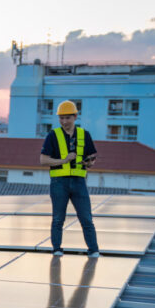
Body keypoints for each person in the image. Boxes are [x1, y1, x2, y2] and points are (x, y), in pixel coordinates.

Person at [39, 100, 100, 258]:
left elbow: (92, 157)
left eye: (67, 118)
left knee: (86, 218)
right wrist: (64, 160)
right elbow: (43, 160)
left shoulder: (84, 135)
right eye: (61, 118)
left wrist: (89, 163)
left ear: (75, 117)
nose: (64, 121)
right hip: (59, 182)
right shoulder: (53, 135)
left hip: (79, 182)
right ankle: (57, 249)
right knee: (58, 218)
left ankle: (94, 250)